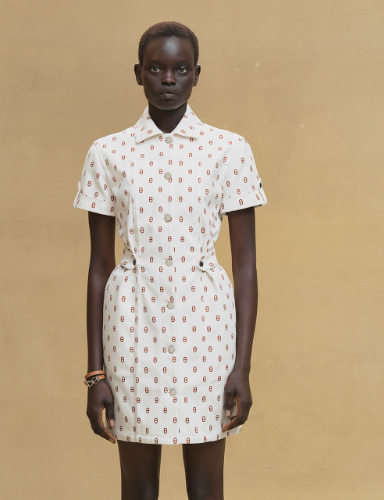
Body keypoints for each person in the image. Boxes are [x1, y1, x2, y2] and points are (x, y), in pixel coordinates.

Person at [73, 21, 267, 500]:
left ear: (196, 75)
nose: (167, 79)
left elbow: (245, 266)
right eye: (156, 68)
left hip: (207, 329)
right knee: (138, 488)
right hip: (131, 327)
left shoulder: (229, 149)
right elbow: (99, 267)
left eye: (180, 69)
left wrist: (241, 367)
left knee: (205, 487)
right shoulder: (108, 153)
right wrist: (96, 373)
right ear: (138, 73)